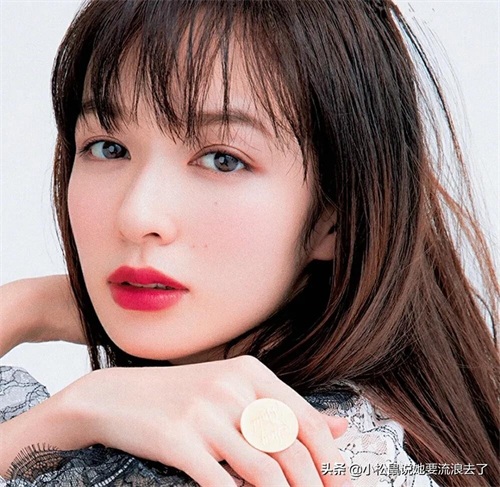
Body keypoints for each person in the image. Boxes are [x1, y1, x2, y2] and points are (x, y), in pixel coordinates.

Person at [0, 0, 498, 486]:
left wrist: (71, 412)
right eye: (108, 148)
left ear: (334, 218)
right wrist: (30, 307)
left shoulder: (296, 464)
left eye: (223, 159)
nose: (136, 216)